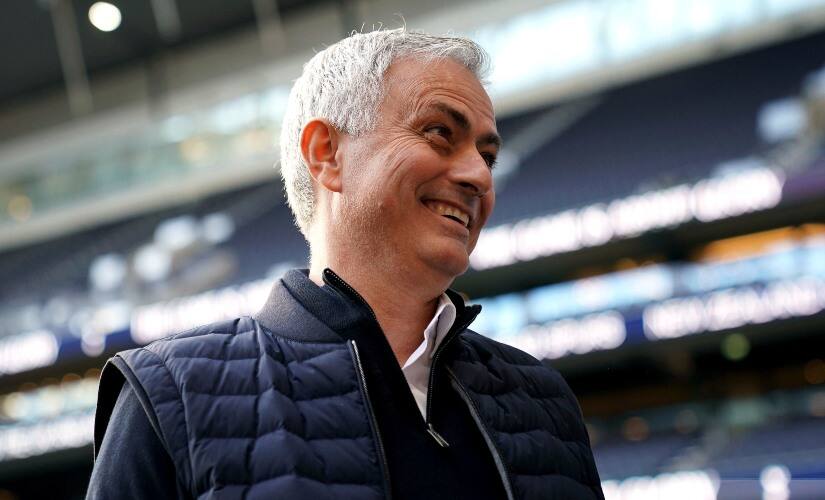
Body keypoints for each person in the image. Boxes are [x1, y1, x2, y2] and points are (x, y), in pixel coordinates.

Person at [87, 29, 604, 500]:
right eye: (439, 133)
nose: (479, 176)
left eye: (487, 156)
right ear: (326, 154)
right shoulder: (167, 392)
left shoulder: (543, 401)